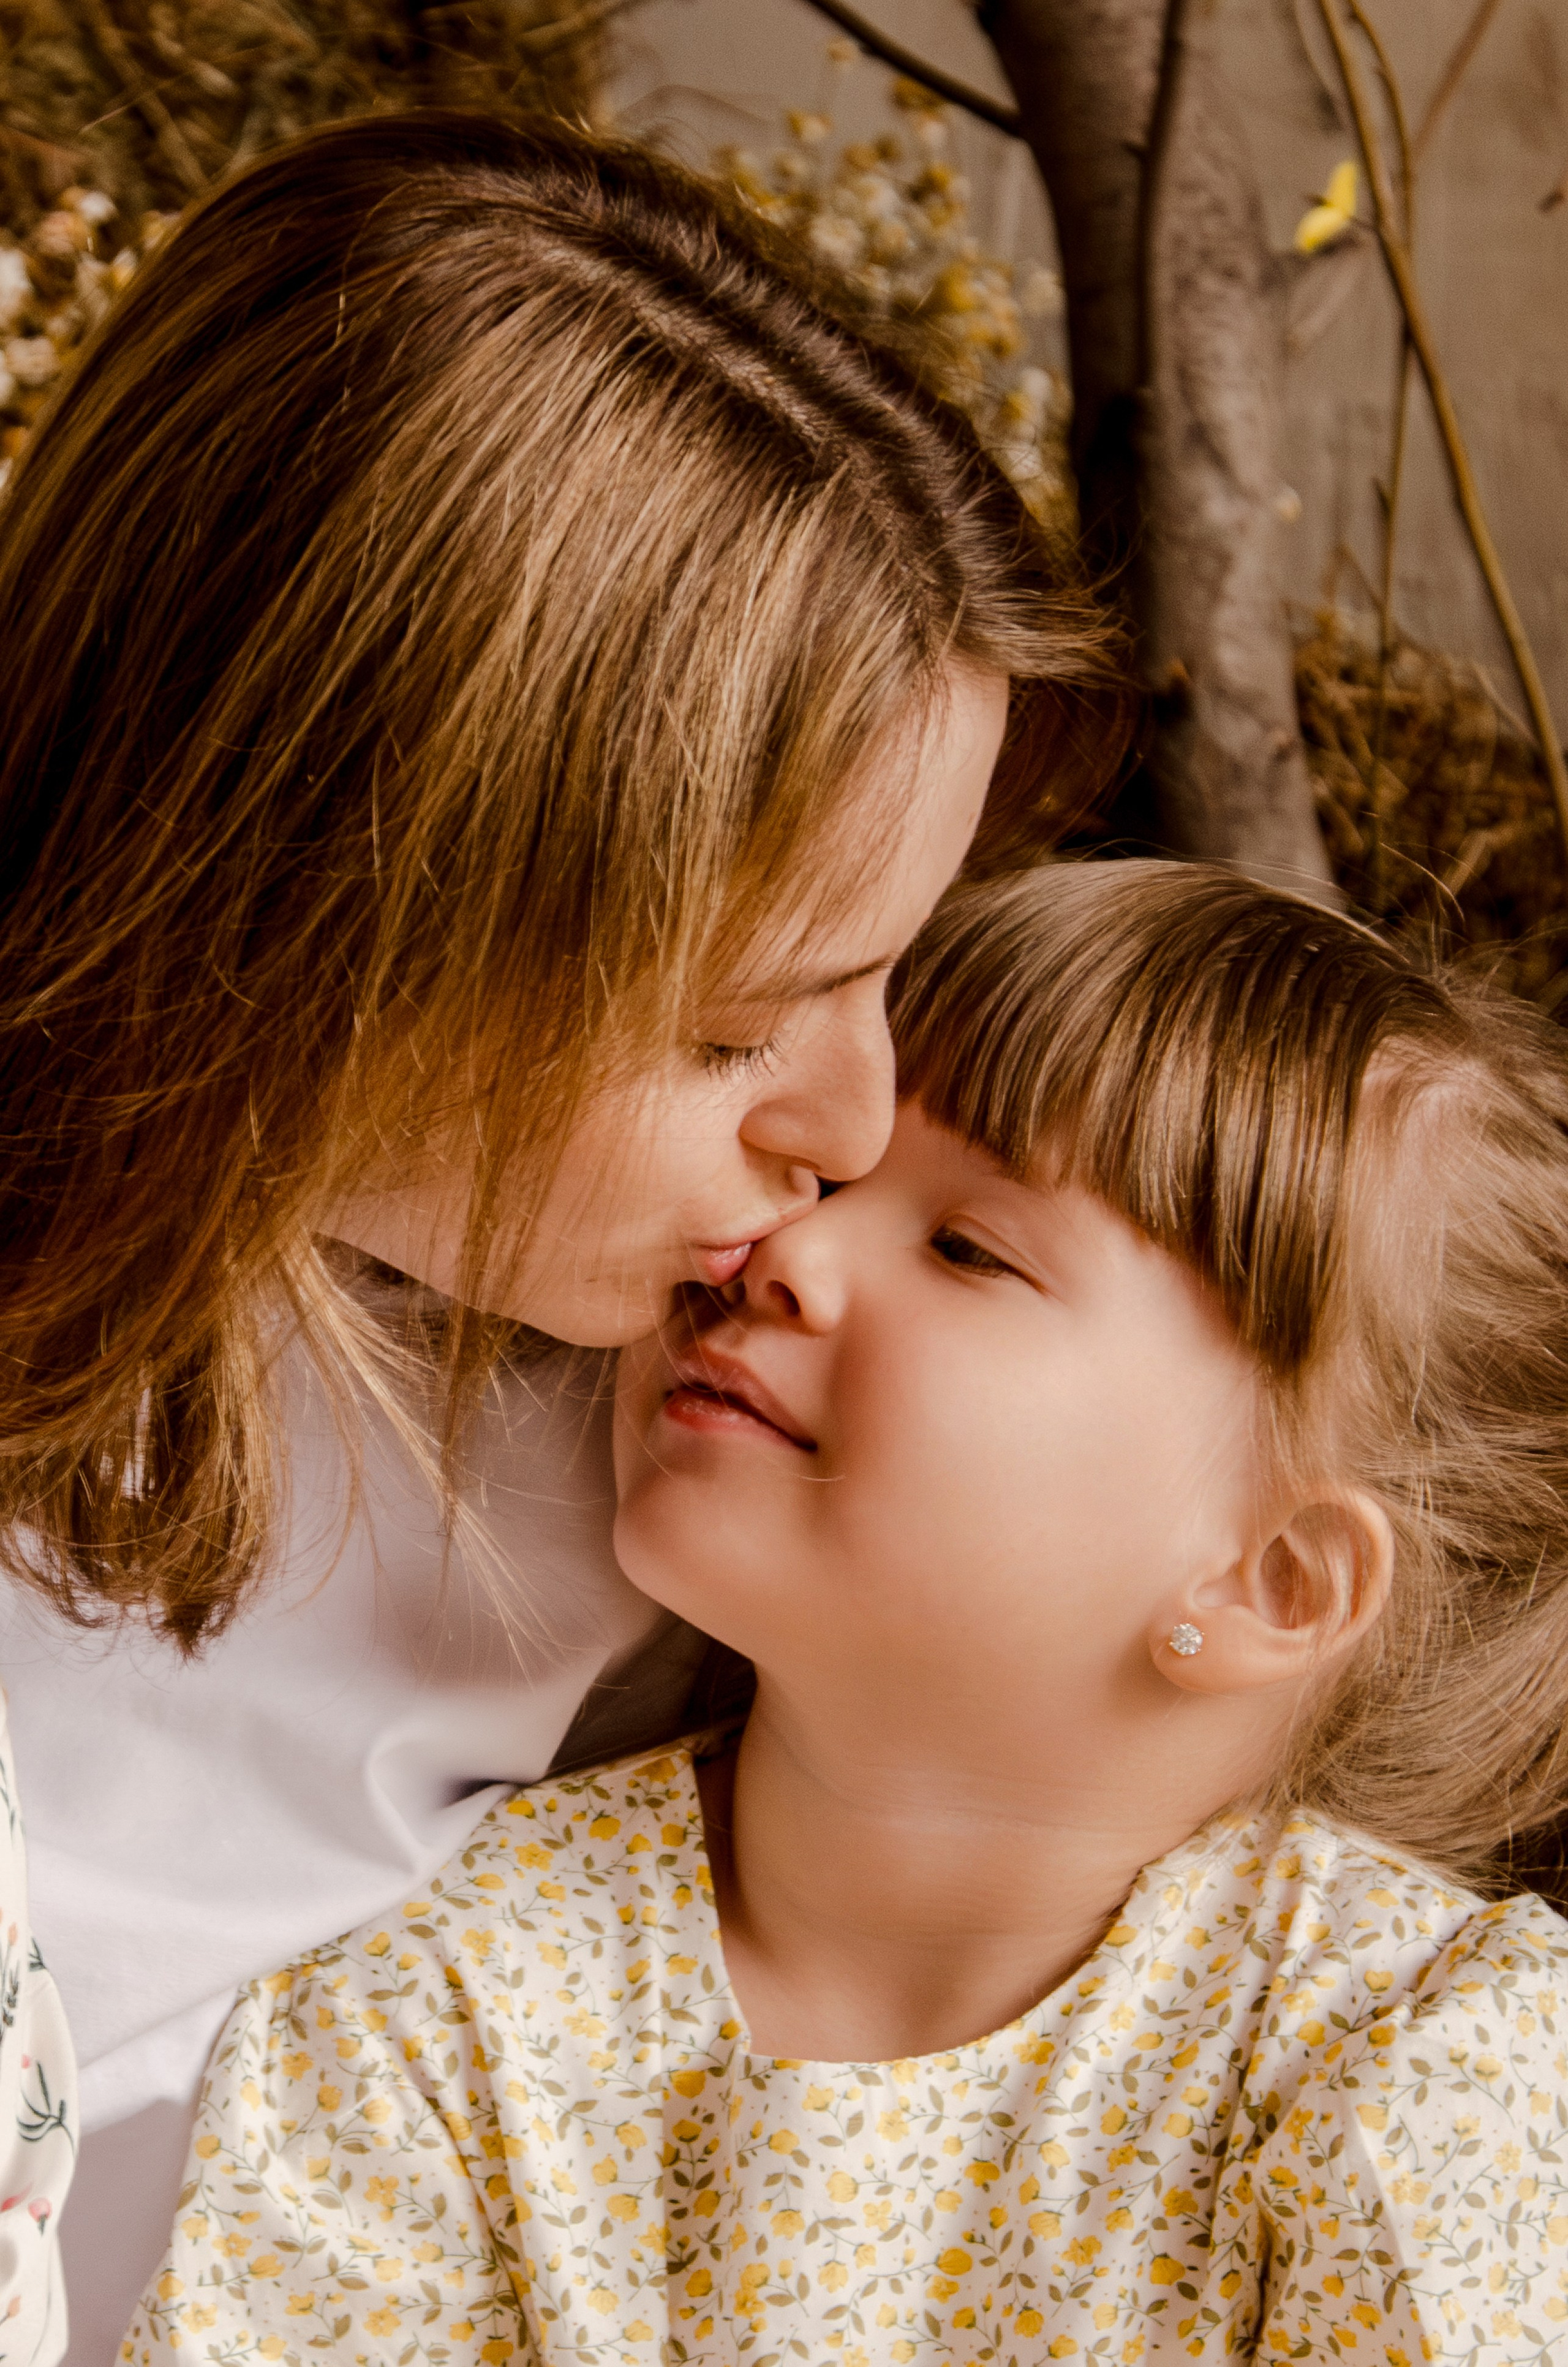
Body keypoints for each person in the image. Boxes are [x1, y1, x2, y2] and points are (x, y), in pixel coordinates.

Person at [0, 110, 1118, 2352]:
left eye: (891, 963)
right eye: (732, 1024)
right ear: (306, 924)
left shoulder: (636, 1429)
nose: (858, 1120)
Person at [125, 860, 1568, 2365]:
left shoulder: (1421, 2061)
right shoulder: (437, 2005)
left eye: (966, 1248)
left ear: (1269, 1582)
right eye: (823, 1186)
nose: (777, 1256)